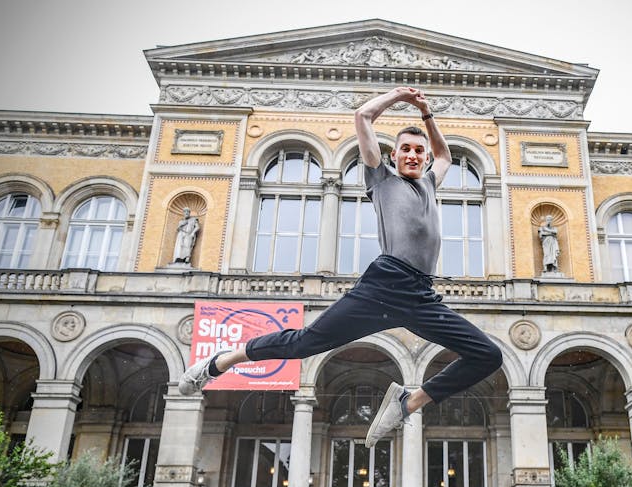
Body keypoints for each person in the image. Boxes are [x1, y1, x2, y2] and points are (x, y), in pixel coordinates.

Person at [178, 86, 503, 447]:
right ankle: (222, 361)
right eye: (405, 150)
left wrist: (427, 114)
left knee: (488, 354)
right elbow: (363, 117)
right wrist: (398, 96)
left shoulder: (429, 181)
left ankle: (408, 402)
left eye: (418, 151)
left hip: (421, 295)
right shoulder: (381, 181)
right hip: (384, 285)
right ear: (393, 156)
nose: (413, 156)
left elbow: (443, 153)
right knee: (304, 343)